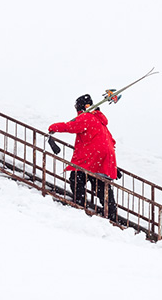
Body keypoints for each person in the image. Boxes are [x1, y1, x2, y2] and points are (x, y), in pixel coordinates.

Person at [49, 93, 118, 222]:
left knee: (76, 178)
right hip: (105, 159)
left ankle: (79, 203)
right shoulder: (100, 121)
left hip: (91, 157)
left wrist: (53, 128)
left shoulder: (86, 117)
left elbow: (70, 126)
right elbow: (111, 142)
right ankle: (112, 213)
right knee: (102, 186)